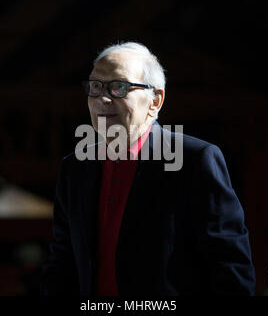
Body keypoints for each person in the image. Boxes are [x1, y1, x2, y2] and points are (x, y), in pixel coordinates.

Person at [41, 42, 255, 295]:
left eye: (119, 87)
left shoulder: (195, 161)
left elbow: (231, 271)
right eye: (95, 87)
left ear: (156, 100)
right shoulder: (75, 168)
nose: (103, 99)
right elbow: (62, 264)